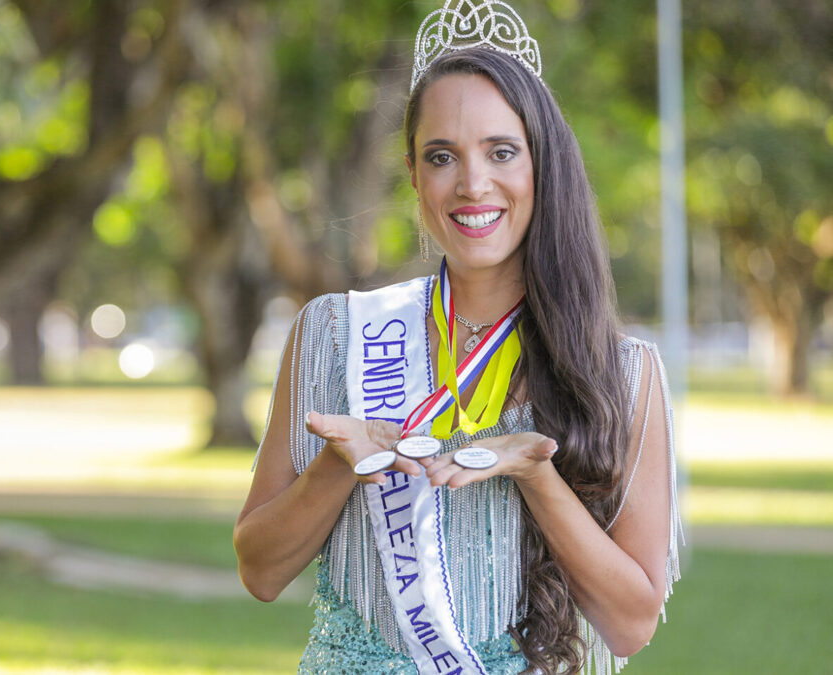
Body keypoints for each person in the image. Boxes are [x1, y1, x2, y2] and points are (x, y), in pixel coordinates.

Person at [233, 2, 683, 673]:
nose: (474, 184)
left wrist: (535, 473)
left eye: (502, 151)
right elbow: (261, 571)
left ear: (542, 165)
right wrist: (337, 466)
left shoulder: (620, 370)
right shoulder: (334, 334)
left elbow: (630, 624)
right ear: (414, 173)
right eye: (442, 156)